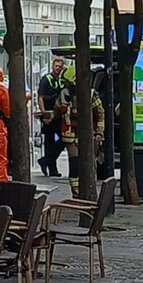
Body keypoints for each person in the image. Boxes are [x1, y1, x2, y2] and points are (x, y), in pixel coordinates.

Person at [52, 65, 105, 199]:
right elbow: (57, 113)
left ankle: (89, 190)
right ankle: (76, 192)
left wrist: (99, 132)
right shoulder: (64, 94)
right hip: (70, 134)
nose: (68, 87)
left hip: (89, 135)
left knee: (89, 164)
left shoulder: (91, 94)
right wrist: (48, 116)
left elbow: (100, 114)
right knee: (74, 164)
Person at [37, 57, 65, 177]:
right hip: (49, 115)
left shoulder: (62, 80)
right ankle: (52, 169)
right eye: (56, 66)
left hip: (59, 116)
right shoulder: (46, 79)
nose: (58, 68)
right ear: (52, 66)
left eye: (60, 66)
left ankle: (46, 160)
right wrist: (44, 113)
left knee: (63, 139)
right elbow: (40, 97)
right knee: (49, 142)